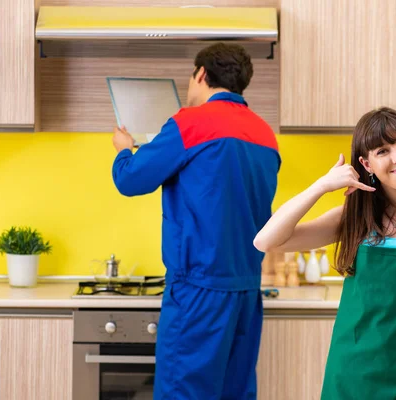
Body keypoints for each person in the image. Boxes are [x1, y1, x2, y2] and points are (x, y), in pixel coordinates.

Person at [254, 107, 396, 399]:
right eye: (383, 151)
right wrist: (321, 186)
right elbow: (266, 241)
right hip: (353, 380)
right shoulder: (353, 219)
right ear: (366, 164)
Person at [111, 42, 280, 399]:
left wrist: (124, 148)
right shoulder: (266, 135)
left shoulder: (190, 123)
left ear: (201, 74)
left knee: (183, 393)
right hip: (247, 291)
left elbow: (130, 180)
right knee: (234, 393)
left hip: (198, 291)